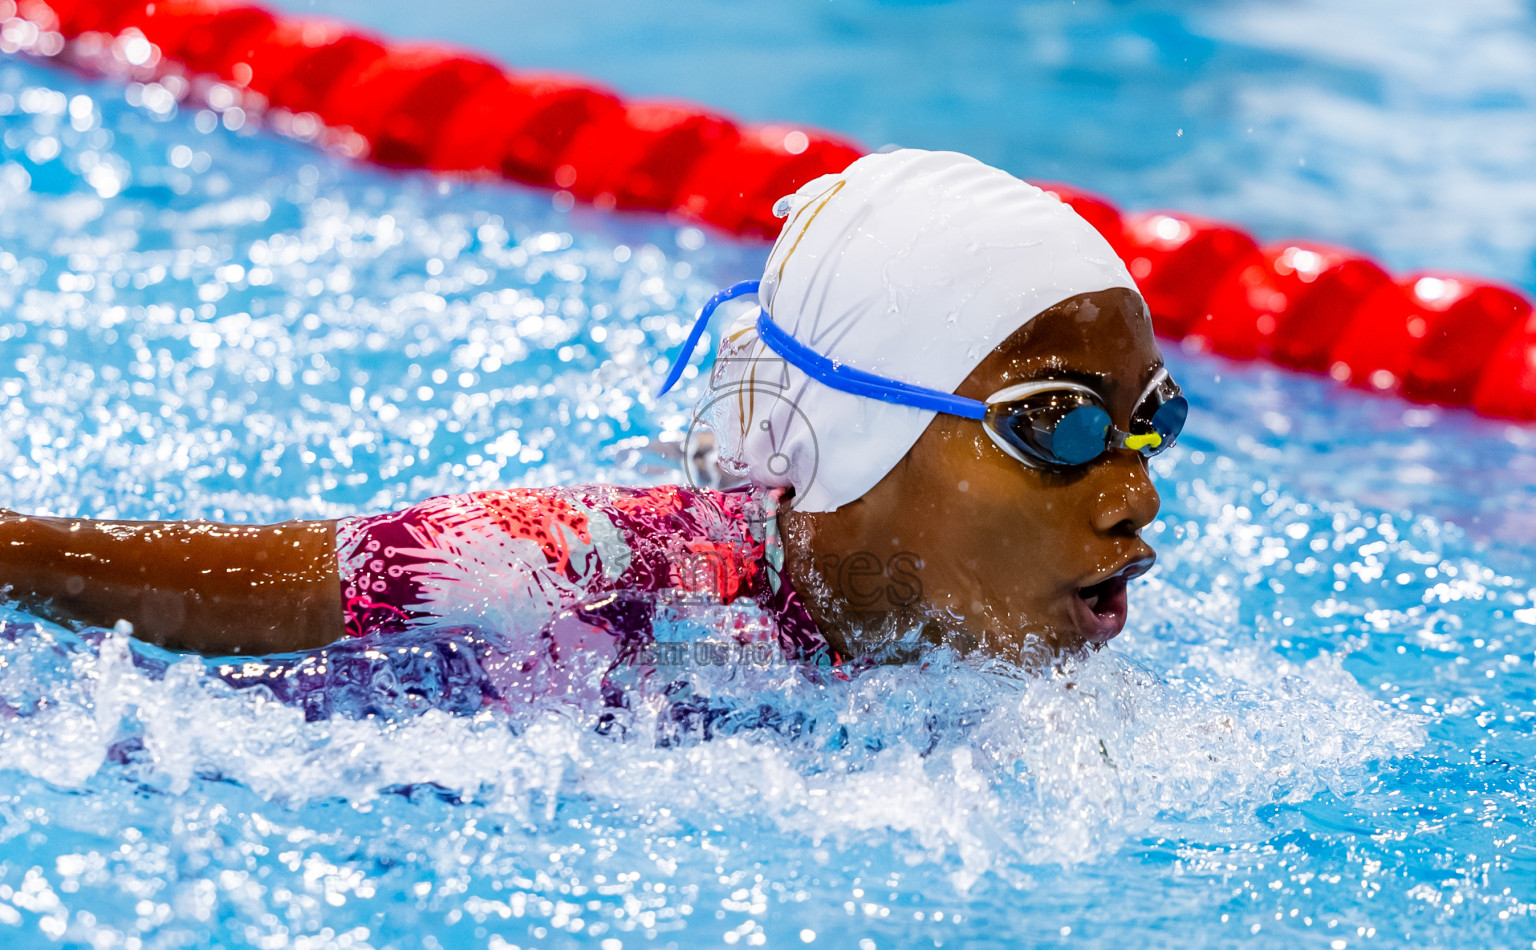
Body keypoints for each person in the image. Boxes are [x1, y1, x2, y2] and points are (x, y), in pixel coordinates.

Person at [0, 149, 1185, 671]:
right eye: (1059, 424)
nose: (1136, 493)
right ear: (866, 436)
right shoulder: (587, 568)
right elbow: (278, 583)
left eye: (1149, 420)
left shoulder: (1006, 659)